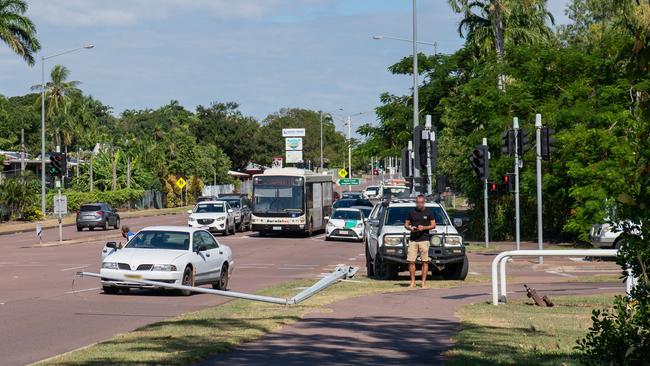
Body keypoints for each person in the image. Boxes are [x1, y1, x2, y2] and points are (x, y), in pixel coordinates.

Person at [404, 194, 436, 288]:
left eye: (421, 203)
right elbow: (406, 224)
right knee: (411, 261)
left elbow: (433, 225)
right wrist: (410, 228)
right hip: (413, 240)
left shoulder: (429, 212)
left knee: (425, 261)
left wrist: (424, 228)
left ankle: (423, 282)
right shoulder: (411, 212)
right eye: (417, 202)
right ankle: (413, 282)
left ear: (424, 202)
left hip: (424, 239)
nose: (419, 204)